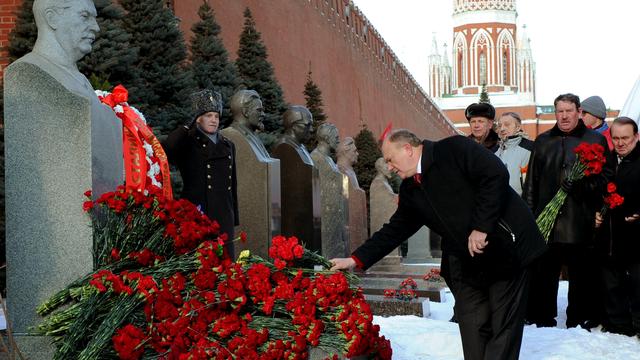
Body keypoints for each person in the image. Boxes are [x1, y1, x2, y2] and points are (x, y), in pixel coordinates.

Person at [330, 129, 546, 360]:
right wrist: (355, 259)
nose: (390, 167)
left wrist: (482, 227)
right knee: (472, 322)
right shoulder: (411, 188)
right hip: (467, 259)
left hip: (508, 246)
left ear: (408, 149)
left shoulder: (454, 149)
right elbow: (396, 229)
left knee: (503, 325)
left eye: (391, 160)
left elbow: (495, 175)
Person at [522, 93, 615, 329]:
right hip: (548, 220)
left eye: (569, 111)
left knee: (581, 273)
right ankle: (542, 317)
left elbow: (606, 178)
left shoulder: (595, 140)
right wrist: (530, 216)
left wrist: (583, 184)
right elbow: (531, 181)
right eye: (560, 111)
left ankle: (578, 317)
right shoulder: (543, 141)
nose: (564, 115)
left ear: (579, 112)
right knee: (544, 273)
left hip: (580, 217)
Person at [162, 89, 239, 258]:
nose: (213, 120)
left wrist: (234, 217)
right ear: (199, 118)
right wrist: (188, 125)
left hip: (223, 215)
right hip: (197, 213)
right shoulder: (188, 141)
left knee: (225, 264)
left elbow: (232, 185)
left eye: (216, 116)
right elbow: (168, 149)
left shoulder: (228, 145)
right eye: (208, 115)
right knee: (199, 265)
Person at [594, 117, 640, 336]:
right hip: (610, 235)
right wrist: (595, 212)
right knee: (612, 282)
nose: (621, 143)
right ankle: (618, 325)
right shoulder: (606, 161)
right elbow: (596, 191)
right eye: (616, 138)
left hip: (636, 236)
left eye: (626, 138)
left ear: (637, 137)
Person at [495, 112, 534, 195]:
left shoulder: (531, 148)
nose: (502, 129)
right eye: (499, 125)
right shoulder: (493, 152)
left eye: (507, 125)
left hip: (522, 204)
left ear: (518, 127)